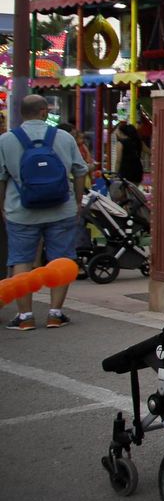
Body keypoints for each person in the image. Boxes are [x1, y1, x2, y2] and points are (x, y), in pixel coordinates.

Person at [2, 96, 90, 330]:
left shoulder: (6, 141)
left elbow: (1, 178)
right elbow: (80, 170)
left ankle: (25, 317)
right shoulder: (64, 137)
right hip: (61, 209)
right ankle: (55, 313)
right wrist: (78, 201)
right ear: (43, 112)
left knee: (21, 260)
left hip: (21, 211)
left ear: (22, 113)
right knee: (61, 259)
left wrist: (3, 207)